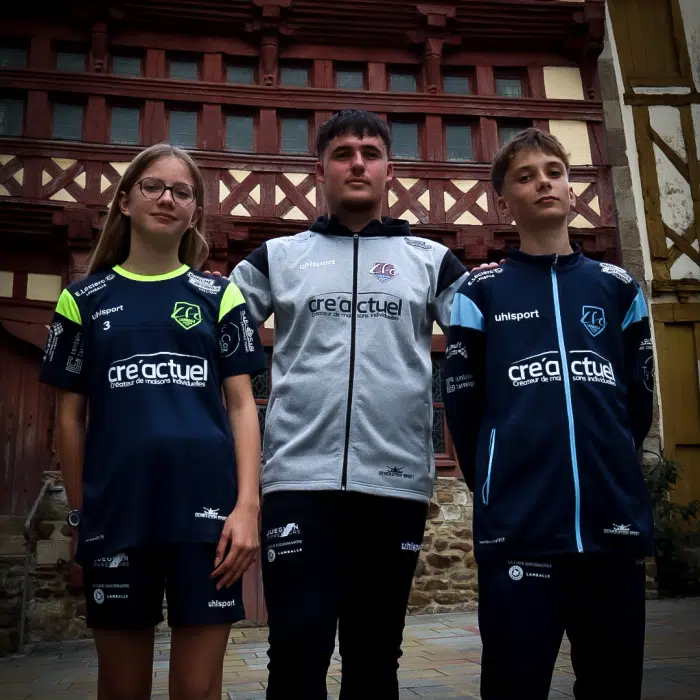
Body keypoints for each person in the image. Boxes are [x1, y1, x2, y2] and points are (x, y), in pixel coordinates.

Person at [225, 109, 470, 698]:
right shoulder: (276, 258)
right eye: (342, 154)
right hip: (297, 483)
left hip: (394, 486)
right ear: (321, 171)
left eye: (369, 153)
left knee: (375, 658)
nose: (357, 164)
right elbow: (210, 337)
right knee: (295, 652)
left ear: (390, 170)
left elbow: (493, 340)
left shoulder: (432, 260)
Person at [39, 143, 268, 700]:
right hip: (117, 514)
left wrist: (247, 508)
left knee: (197, 691)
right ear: (124, 201)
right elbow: (69, 418)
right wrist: (82, 511)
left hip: (208, 518)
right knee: (121, 690)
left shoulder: (219, 296)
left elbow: (243, 406)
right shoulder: (82, 300)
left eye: (182, 192)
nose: (167, 198)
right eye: (153, 186)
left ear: (194, 213)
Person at [443, 128, 654, 700]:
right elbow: (463, 408)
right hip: (520, 529)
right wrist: (498, 484)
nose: (544, 182)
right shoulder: (479, 292)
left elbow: (637, 405)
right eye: (526, 176)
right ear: (502, 201)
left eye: (554, 172)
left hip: (612, 528)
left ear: (571, 188)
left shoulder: (618, 287)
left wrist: (610, 465)